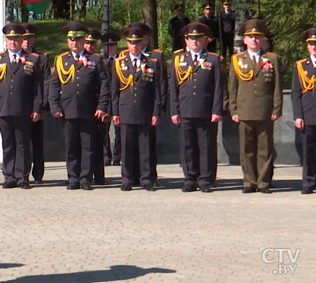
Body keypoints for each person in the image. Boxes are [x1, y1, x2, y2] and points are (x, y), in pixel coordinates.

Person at [49, 22, 109, 190]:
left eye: (78, 39)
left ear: (84, 40)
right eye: (71, 40)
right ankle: (73, 178)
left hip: (88, 109)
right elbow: (54, 84)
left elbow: (104, 84)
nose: (74, 43)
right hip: (67, 110)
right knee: (71, 146)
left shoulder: (95, 59)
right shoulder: (61, 60)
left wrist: (102, 106)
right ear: (68, 41)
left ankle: (85, 178)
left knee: (88, 146)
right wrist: (54, 106)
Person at [168, 23, 224, 193]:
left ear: (204, 40)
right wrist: (174, 111)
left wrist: (216, 110)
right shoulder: (178, 59)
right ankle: (190, 178)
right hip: (185, 109)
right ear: (186, 40)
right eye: (191, 38)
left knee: (206, 146)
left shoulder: (213, 59)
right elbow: (174, 87)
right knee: (187, 146)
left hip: (206, 110)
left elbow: (218, 88)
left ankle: (205, 179)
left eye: (198, 38)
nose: (194, 41)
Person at [228, 19, 282, 194]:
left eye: (257, 37)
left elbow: (277, 87)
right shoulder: (237, 60)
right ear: (244, 40)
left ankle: (264, 182)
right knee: (246, 149)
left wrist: (276, 109)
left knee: (265, 149)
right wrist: (233, 109)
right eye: (250, 37)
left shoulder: (272, 59)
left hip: (265, 110)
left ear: (263, 40)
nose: (253, 40)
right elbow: (232, 87)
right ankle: (249, 182)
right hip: (245, 110)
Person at [0, 23, 43, 189]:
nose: (13, 42)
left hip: (23, 108)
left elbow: (37, 87)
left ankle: (22, 176)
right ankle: (9, 176)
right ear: (6, 40)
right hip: (2, 107)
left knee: (23, 144)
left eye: (16, 39)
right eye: (10, 39)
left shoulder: (33, 59)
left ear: (21, 40)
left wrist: (36, 108)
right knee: (7, 143)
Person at [111, 25, 163, 191]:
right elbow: (114, 90)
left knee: (145, 146)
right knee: (126, 147)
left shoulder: (151, 63)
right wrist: (115, 112)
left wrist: (156, 112)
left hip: (144, 110)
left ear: (142, 43)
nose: (134, 45)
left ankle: (146, 178)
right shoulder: (119, 63)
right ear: (127, 43)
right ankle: (127, 179)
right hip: (125, 110)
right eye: (131, 42)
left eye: (137, 42)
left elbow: (157, 91)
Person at [21, 23, 49, 184]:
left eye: (29, 38)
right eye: (24, 38)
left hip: (37, 105)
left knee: (37, 141)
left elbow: (46, 83)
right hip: (20, 107)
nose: (26, 42)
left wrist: (44, 106)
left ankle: (38, 174)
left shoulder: (41, 57)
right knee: (21, 142)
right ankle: (21, 172)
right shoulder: (16, 56)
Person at [84, 27, 109, 183]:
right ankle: (83, 173)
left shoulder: (99, 60)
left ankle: (98, 175)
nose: (89, 46)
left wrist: (103, 106)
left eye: (92, 43)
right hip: (83, 107)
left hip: (96, 107)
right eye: (87, 43)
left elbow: (105, 85)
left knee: (98, 142)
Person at [292, 28, 316, 194]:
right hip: (308, 115)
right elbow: (296, 93)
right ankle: (308, 182)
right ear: (307, 46)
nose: (314, 46)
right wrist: (298, 116)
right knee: (308, 151)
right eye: (311, 43)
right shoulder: (301, 66)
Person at [101, 31, 122, 166]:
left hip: (120, 99)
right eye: (107, 46)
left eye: (112, 45)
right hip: (105, 99)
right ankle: (105, 156)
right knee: (103, 130)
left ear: (117, 46)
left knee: (120, 130)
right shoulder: (100, 61)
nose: (110, 48)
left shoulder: (122, 61)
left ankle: (118, 156)